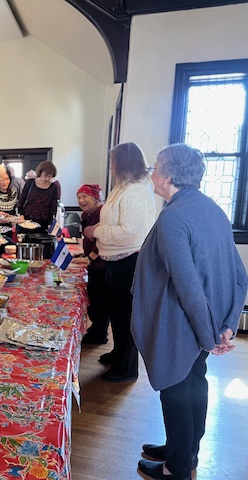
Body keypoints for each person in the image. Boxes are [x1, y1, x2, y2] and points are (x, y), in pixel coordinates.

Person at [132, 144, 247, 480]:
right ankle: (183, 451)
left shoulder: (174, 216)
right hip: (204, 322)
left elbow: (188, 285)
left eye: (155, 167)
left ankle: (176, 468)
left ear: (167, 176)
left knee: (176, 393)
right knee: (195, 384)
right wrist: (225, 325)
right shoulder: (211, 208)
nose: (151, 172)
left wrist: (208, 335)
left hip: (182, 325)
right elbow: (240, 277)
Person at [83, 142, 155, 382]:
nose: (111, 166)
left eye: (114, 162)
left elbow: (129, 232)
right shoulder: (124, 186)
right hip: (115, 260)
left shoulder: (135, 191)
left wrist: (97, 231)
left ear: (124, 163)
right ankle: (118, 353)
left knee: (125, 318)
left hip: (128, 262)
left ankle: (126, 368)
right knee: (117, 314)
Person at [76, 184, 109, 345]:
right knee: (93, 298)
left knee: (99, 300)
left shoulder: (102, 213)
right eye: (79, 197)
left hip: (101, 264)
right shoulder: (85, 215)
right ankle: (96, 330)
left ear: (96, 199)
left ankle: (100, 333)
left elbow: (100, 240)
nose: (81, 200)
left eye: (85, 197)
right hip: (92, 264)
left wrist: (90, 258)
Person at [18, 160, 59, 232]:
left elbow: (53, 208)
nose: (47, 179)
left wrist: (50, 223)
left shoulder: (53, 188)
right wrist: (21, 214)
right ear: (40, 173)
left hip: (43, 225)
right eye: (45, 176)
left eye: (50, 176)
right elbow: (21, 201)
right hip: (26, 223)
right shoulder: (30, 183)